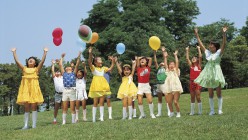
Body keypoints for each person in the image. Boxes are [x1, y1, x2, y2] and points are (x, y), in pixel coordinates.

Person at [11, 47, 48, 129]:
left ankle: (34, 125)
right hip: (25, 89)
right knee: (26, 106)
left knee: (34, 106)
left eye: (32, 59)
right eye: (29, 59)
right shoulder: (24, 69)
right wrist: (14, 52)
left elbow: (42, 62)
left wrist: (45, 52)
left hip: (34, 88)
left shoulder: (36, 69)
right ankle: (26, 125)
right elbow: (17, 62)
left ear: (35, 63)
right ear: (27, 62)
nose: (30, 60)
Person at [194, 27, 228, 115]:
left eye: (211, 44)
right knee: (210, 93)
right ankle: (212, 110)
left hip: (217, 72)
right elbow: (201, 45)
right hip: (208, 73)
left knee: (219, 92)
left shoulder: (219, 52)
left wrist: (224, 33)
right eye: (209, 44)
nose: (210, 45)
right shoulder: (208, 53)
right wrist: (197, 35)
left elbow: (224, 43)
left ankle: (220, 110)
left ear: (215, 46)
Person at [88, 46, 115, 122]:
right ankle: (93, 118)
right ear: (96, 62)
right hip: (96, 86)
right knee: (95, 102)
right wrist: (90, 53)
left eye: (101, 60)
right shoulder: (93, 68)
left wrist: (113, 61)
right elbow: (89, 62)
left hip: (103, 86)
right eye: (99, 60)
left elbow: (110, 68)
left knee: (102, 102)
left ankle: (101, 117)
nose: (101, 61)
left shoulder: (104, 68)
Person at [59, 52, 81, 124]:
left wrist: (78, 56)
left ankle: (73, 121)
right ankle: (64, 121)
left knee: (72, 107)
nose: (68, 67)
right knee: (64, 107)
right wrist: (62, 57)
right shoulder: (64, 74)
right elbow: (60, 65)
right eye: (67, 67)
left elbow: (77, 64)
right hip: (65, 91)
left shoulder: (73, 73)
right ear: (65, 69)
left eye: (69, 67)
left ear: (72, 69)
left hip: (72, 91)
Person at [162, 47, 183, 117]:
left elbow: (177, 62)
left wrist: (175, 55)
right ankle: (171, 113)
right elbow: (165, 63)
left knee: (175, 102)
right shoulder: (167, 71)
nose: (171, 65)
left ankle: (178, 113)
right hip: (169, 88)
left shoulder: (176, 71)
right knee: (169, 102)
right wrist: (165, 56)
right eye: (170, 64)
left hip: (176, 87)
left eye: (172, 64)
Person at [186, 46, 203, 115]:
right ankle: (192, 112)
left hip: (197, 83)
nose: (193, 59)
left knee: (198, 97)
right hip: (191, 82)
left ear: (197, 60)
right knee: (192, 97)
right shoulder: (191, 66)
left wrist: (199, 49)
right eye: (192, 58)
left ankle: (200, 111)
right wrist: (187, 50)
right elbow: (187, 58)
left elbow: (200, 56)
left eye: (195, 58)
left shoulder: (199, 65)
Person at [153, 49, 170, 117]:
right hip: (158, 84)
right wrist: (154, 53)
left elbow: (165, 60)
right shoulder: (158, 68)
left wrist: (163, 52)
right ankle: (159, 113)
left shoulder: (166, 69)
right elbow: (155, 61)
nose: (162, 63)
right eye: (161, 63)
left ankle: (169, 112)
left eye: (163, 63)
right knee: (159, 99)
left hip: (164, 84)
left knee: (166, 98)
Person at [51, 59, 64, 124]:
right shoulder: (55, 78)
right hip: (57, 94)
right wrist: (53, 64)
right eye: (56, 72)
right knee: (56, 107)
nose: (57, 72)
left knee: (63, 107)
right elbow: (52, 70)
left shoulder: (63, 77)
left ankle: (63, 120)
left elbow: (61, 68)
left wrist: (59, 62)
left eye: (59, 72)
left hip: (64, 94)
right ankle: (54, 119)